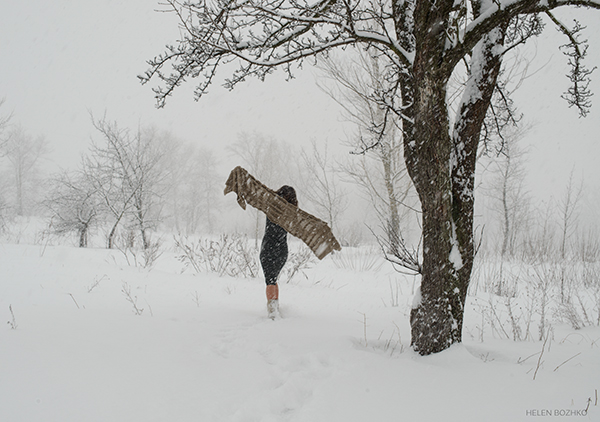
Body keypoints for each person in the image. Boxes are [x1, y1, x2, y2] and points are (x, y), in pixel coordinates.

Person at [259, 185, 298, 319]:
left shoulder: (271, 205)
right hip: (281, 250)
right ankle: (275, 307)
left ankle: (273, 311)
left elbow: (261, 194)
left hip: (268, 248)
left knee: (270, 280)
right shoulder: (291, 212)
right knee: (273, 279)